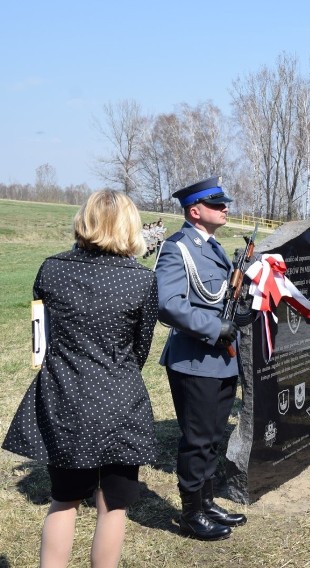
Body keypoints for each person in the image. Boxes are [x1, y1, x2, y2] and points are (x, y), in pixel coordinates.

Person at [3, 190, 158, 565]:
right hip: (119, 400)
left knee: (64, 499)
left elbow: (41, 340)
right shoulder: (141, 281)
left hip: (65, 397)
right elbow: (140, 350)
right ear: (129, 225)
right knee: (114, 505)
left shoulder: (50, 269)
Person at [156, 176, 246, 541]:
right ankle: (192, 513)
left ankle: (207, 502)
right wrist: (215, 327)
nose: (225, 208)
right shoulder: (178, 248)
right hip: (195, 359)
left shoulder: (213, 247)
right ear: (195, 211)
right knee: (196, 439)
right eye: (216, 204)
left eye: (224, 203)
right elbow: (167, 305)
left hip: (222, 358)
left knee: (212, 437)